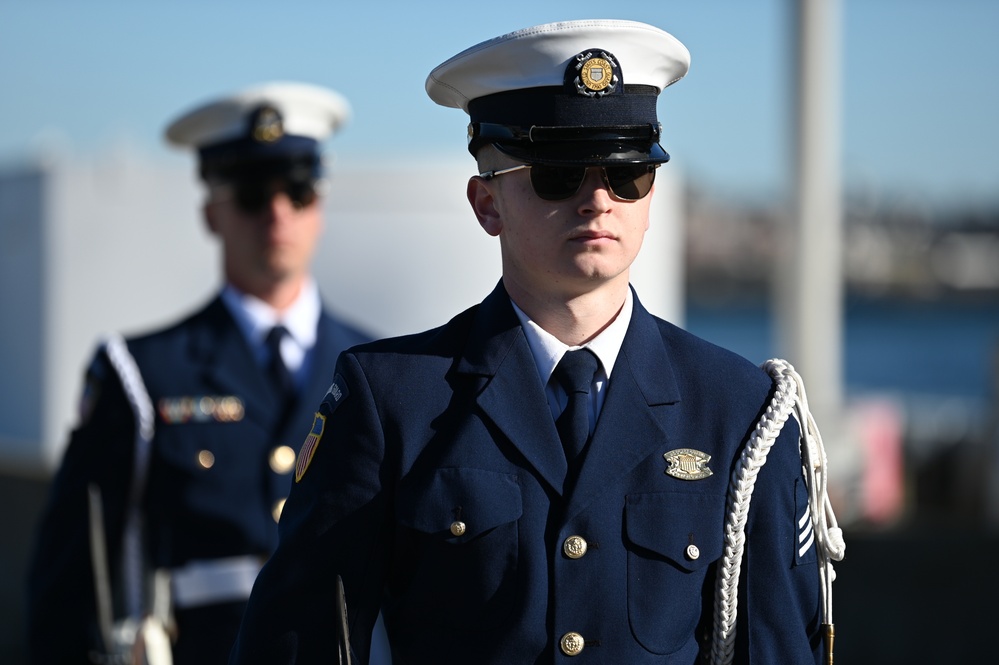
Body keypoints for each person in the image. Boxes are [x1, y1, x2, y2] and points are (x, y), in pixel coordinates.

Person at [230, 21, 832, 664]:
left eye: (628, 173)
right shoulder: (392, 400)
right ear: (486, 203)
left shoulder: (739, 409)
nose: (598, 199)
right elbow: (295, 643)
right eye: (558, 174)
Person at [26, 82, 388, 665]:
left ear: (318, 207)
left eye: (296, 191)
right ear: (211, 213)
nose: (276, 213)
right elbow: (69, 580)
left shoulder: (381, 366)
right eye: (250, 194)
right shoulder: (138, 372)